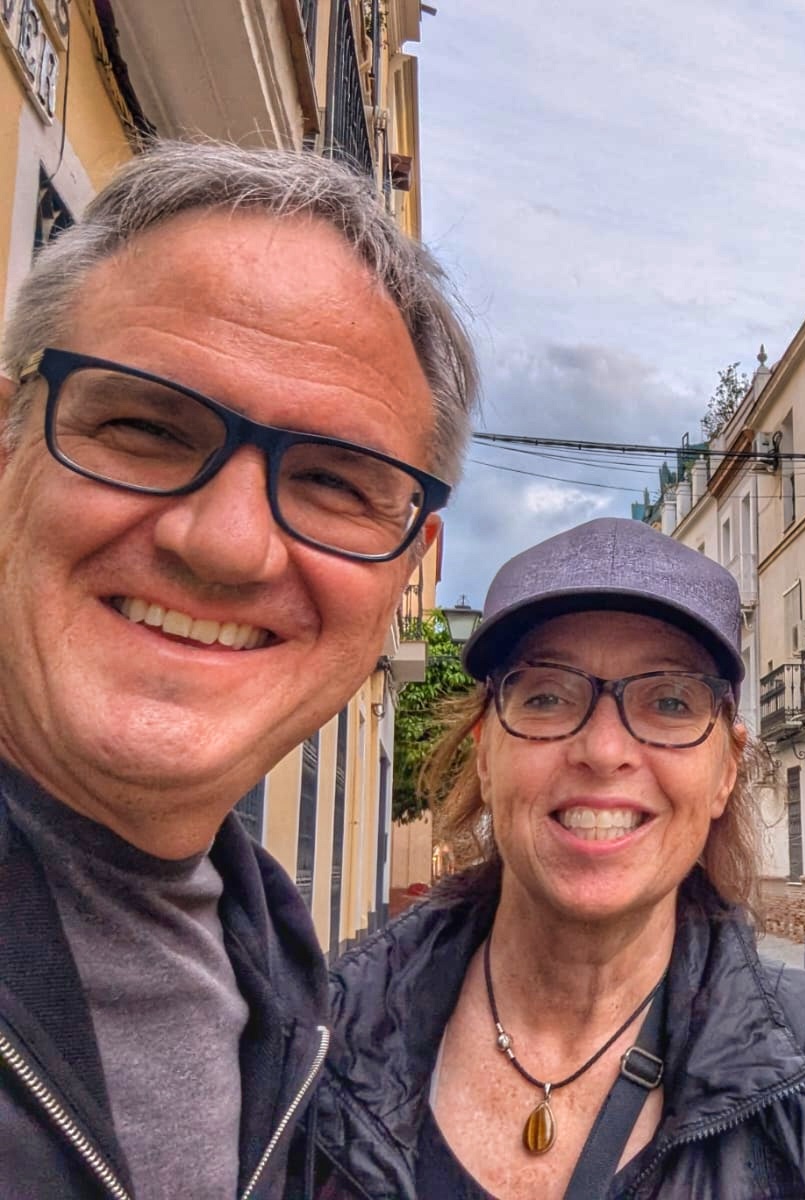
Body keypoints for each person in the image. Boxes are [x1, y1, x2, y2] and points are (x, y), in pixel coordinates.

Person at [0, 140, 478, 1199]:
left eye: (335, 482)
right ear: (6, 446)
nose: (226, 544)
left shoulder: (282, 975)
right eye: (144, 426)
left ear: (408, 569)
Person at [313, 517, 805, 1198]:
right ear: (485, 755)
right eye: (547, 696)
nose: (604, 750)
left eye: (669, 701)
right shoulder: (313, 1048)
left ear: (726, 771)